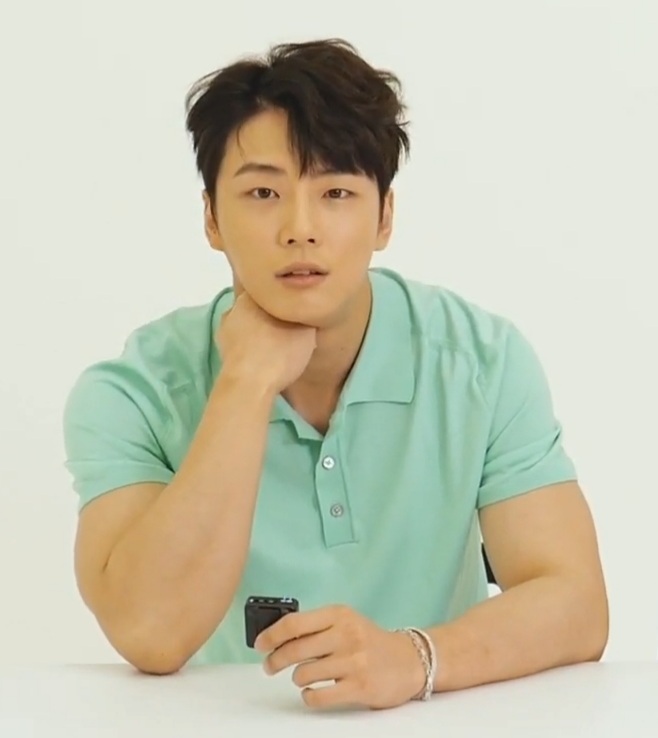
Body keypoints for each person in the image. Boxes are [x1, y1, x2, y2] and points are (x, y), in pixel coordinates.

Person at [62, 38, 608, 710]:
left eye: (337, 192)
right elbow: (150, 633)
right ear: (211, 218)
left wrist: (415, 658)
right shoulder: (133, 393)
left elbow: (576, 604)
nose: (301, 228)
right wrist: (245, 384)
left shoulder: (481, 362)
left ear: (384, 217)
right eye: (263, 192)